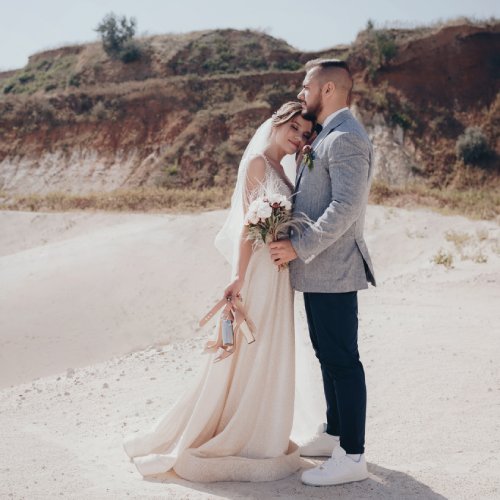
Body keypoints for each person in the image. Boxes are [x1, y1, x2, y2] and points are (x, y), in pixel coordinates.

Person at [122, 101, 314, 482]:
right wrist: (239, 277)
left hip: (278, 271)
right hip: (260, 270)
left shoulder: (283, 167)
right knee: (249, 344)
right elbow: (248, 224)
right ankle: (230, 426)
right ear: (276, 123)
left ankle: (261, 422)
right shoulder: (259, 162)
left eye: (304, 134)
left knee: (268, 345)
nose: (297, 138)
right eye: (293, 128)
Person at [269, 59, 376, 486]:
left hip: (332, 267)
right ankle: (335, 433)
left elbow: (345, 208)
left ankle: (352, 456)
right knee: (328, 356)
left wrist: (299, 245)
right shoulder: (327, 135)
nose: (301, 92)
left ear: (328, 89)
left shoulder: (346, 137)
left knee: (343, 361)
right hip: (319, 271)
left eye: (306, 85)